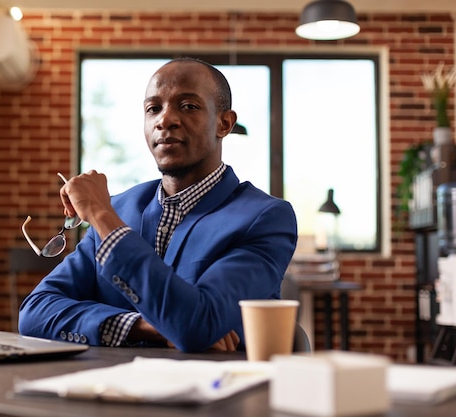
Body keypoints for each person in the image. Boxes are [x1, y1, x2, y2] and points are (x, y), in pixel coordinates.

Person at [19, 57, 297, 353]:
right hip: (108, 388)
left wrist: (101, 216)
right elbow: (35, 312)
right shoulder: (121, 208)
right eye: (153, 109)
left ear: (224, 123)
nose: (165, 120)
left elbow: (197, 325)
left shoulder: (264, 218)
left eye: (188, 106)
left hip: (211, 392)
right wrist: (143, 326)